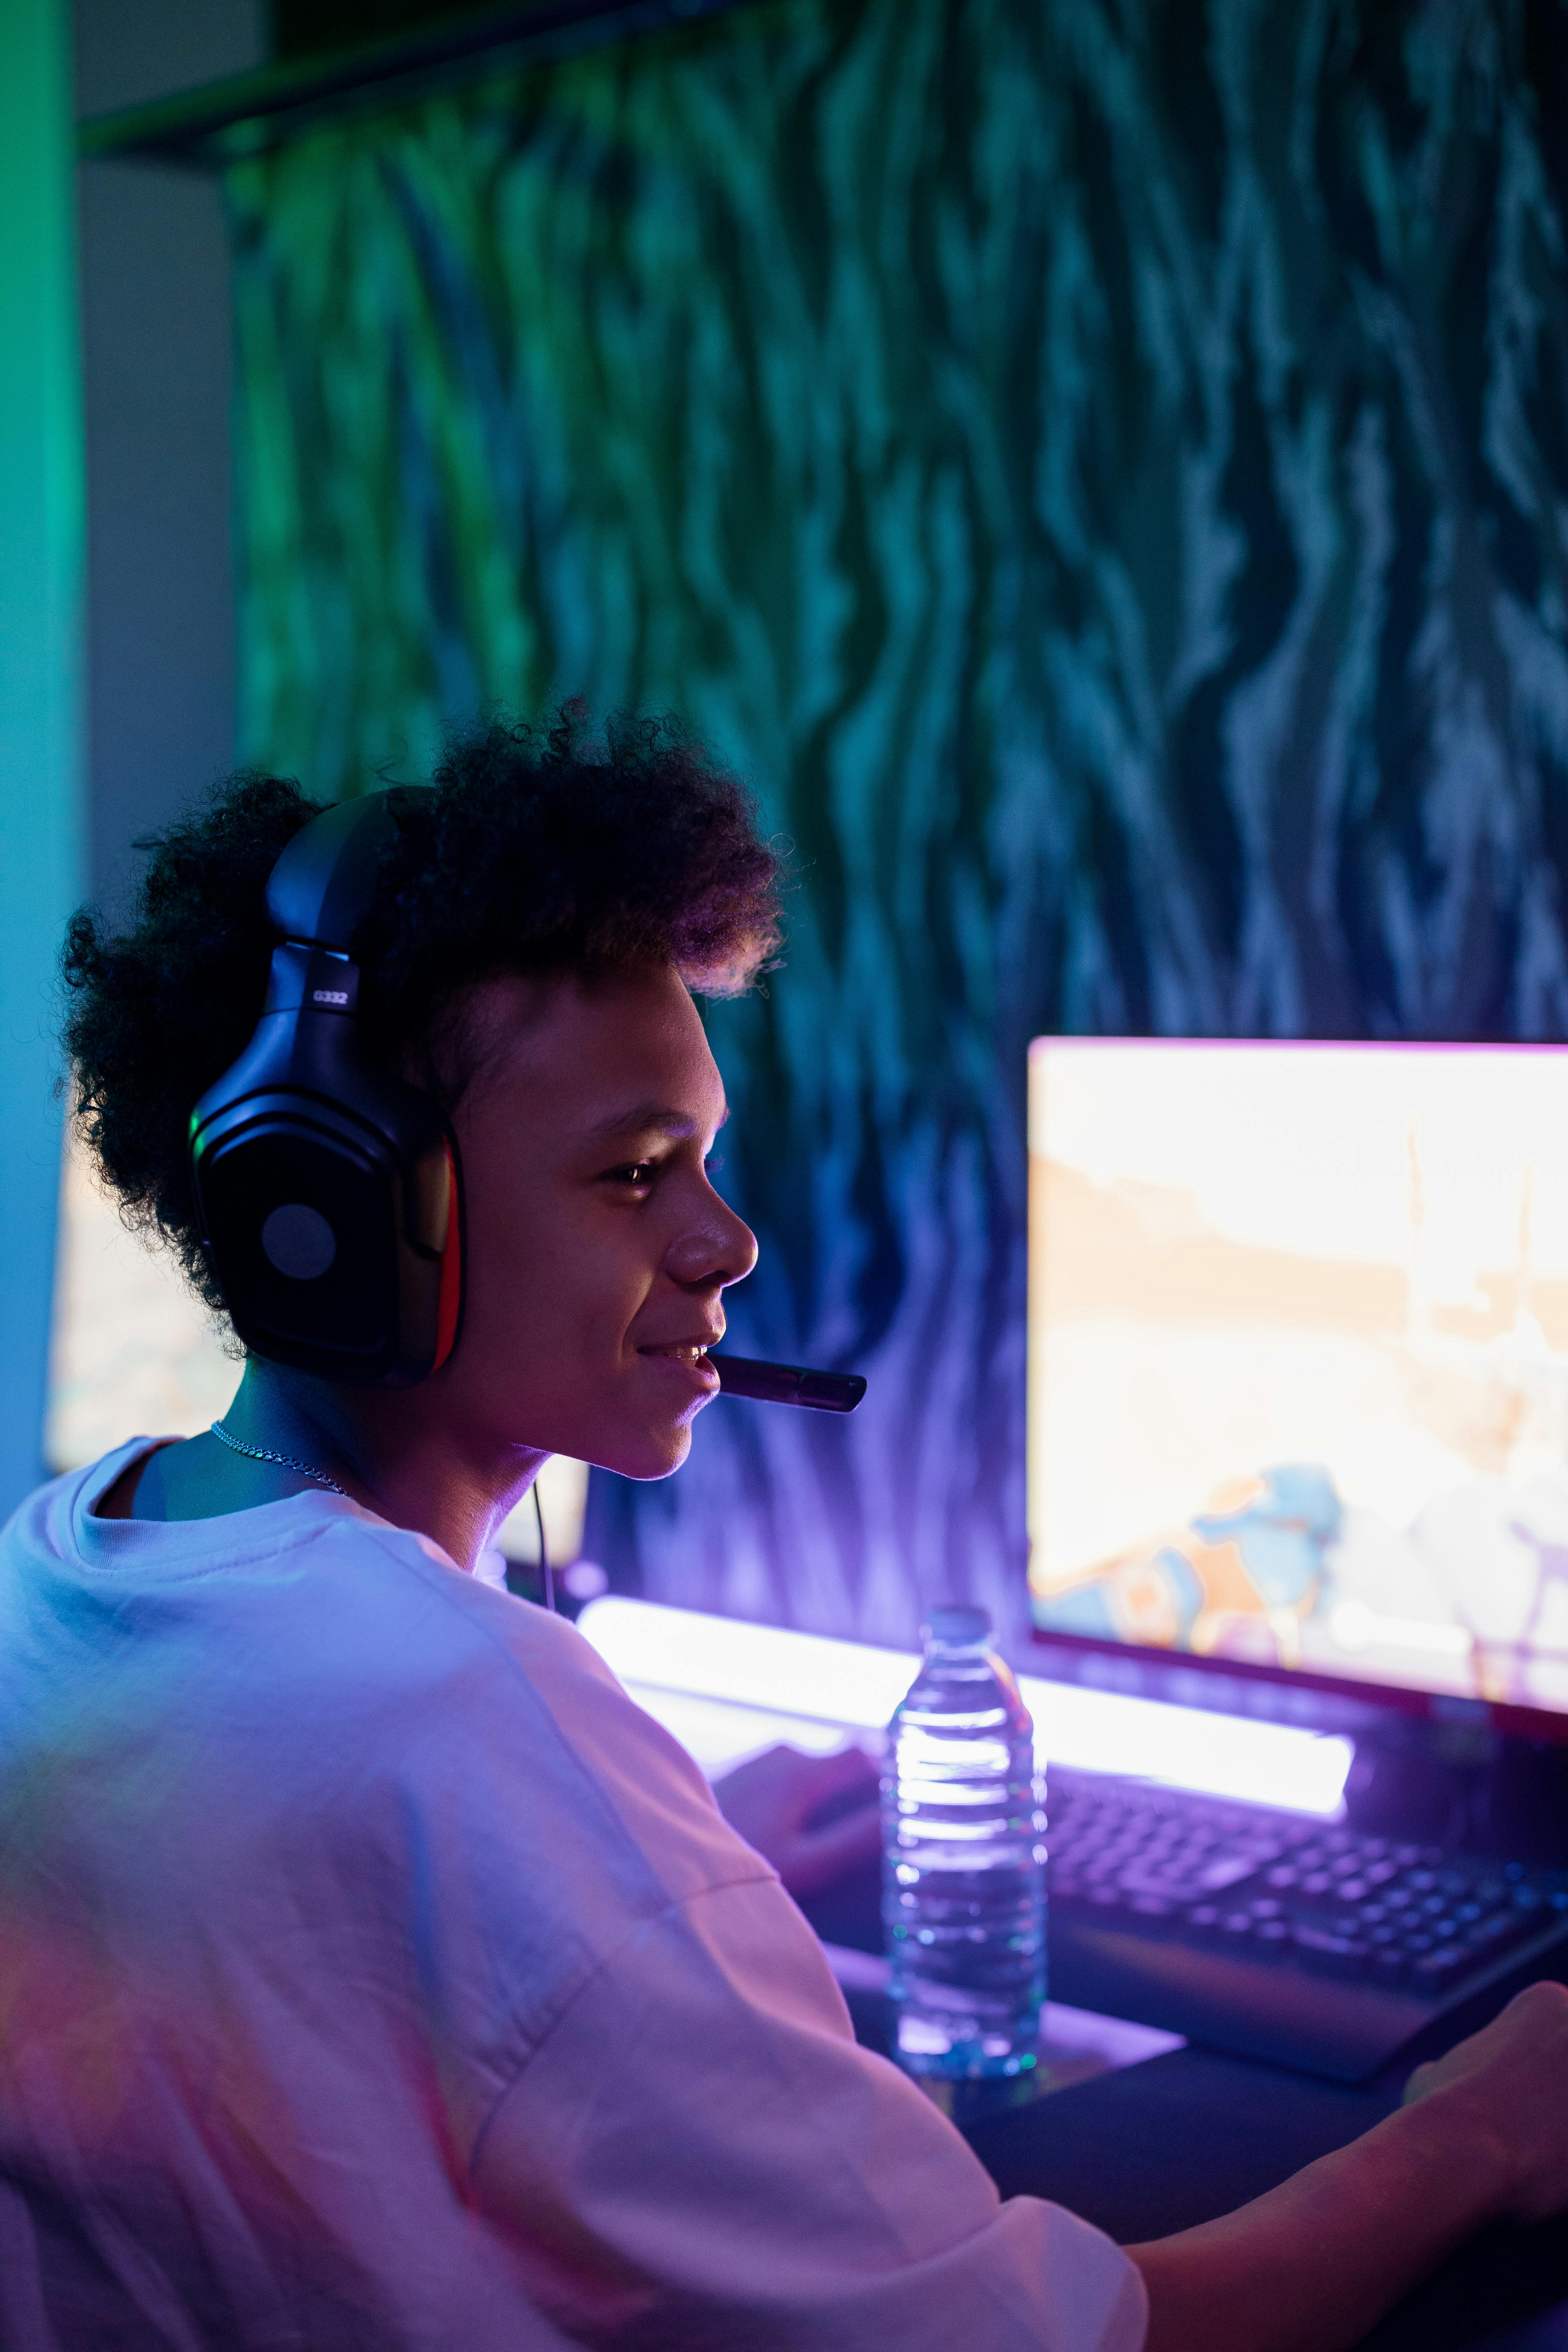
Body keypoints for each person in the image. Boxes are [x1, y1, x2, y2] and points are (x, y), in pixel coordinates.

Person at [4, 713, 1568, 2352]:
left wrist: (635, 1900)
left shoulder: (69, 1561)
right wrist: (1475, 2136)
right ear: (327, 1219)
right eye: (633, 1175)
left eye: (709, 1161)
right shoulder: (474, 1732)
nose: (724, 1244)